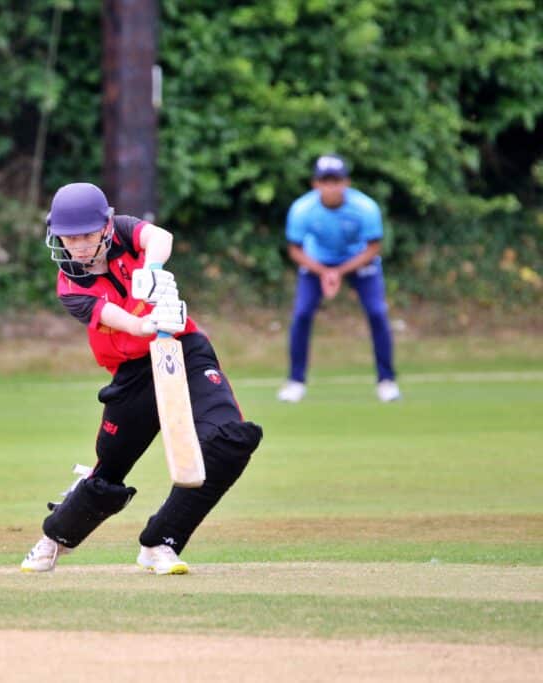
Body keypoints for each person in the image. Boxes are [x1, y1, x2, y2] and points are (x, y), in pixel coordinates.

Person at [21, 182, 263, 575]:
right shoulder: (70, 286)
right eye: (69, 237)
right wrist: (143, 323)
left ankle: (160, 543)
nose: (78, 246)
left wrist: (151, 270)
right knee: (108, 474)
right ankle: (55, 538)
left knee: (229, 443)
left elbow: (160, 236)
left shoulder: (124, 230)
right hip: (133, 374)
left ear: (105, 226)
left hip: (185, 349)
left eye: (86, 235)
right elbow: (113, 318)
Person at [277, 154, 401, 403]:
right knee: (301, 314)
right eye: (325, 181)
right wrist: (324, 272)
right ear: (316, 184)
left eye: (336, 181)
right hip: (316, 262)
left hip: (359, 261)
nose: (331, 187)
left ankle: (386, 381)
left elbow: (373, 248)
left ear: (347, 183)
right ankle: (295, 381)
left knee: (377, 312)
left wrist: (339, 272)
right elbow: (295, 250)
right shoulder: (302, 209)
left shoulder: (365, 208)